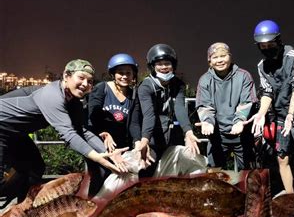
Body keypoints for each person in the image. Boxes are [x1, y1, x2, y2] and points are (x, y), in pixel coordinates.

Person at [0, 59, 129, 201]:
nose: (85, 84)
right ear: (66, 76)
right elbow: (68, 134)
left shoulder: (73, 103)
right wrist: (98, 158)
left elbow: (83, 132)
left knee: (34, 169)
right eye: (81, 78)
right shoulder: (52, 95)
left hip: (15, 134)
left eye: (90, 81)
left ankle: (20, 213)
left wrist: (109, 154)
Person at [250, 20, 294, 193]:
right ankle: (290, 197)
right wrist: (261, 114)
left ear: (278, 41)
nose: (267, 48)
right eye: (263, 46)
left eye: (270, 44)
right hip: (279, 116)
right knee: (282, 157)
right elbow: (267, 92)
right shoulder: (262, 66)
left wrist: (291, 114)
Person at [87, 53, 148, 196]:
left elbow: (133, 122)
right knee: (100, 175)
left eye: (128, 73)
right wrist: (103, 133)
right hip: (98, 140)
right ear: (113, 74)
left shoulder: (133, 95)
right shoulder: (102, 89)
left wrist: (138, 142)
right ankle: (93, 209)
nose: (125, 76)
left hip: (120, 144)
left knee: (125, 178)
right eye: (120, 73)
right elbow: (92, 114)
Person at [135, 44, 200, 178]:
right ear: (152, 66)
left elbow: (180, 108)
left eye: (167, 63)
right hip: (151, 135)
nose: (164, 67)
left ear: (173, 65)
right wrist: (145, 140)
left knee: (173, 174)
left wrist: (188, 132)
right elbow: (149, 114)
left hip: (170, 135)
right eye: (159, 64)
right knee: (147, 172)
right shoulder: (146, 86)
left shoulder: (178, 84)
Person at [195, 42, 257, 171]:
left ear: (230, 57)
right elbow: (204, 105)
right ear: (210, 61)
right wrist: (207, 121)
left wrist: (239, 120)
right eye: (215, 57)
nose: (220, 60)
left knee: (249, 177)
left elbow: (246, 102)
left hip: (242, 134)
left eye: (223, 56)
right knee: (215, 175)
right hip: (217, 134)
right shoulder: (205, 80)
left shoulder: (243, 76)